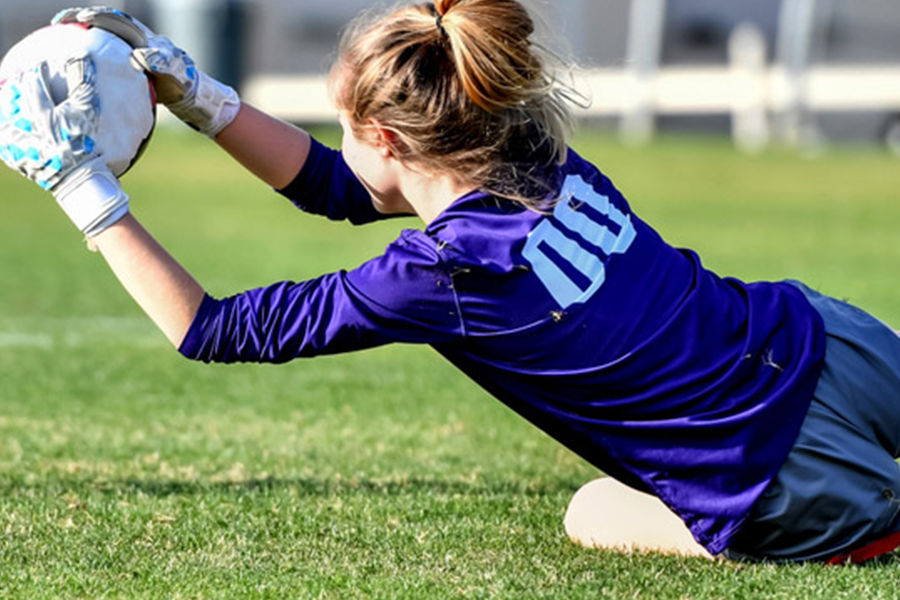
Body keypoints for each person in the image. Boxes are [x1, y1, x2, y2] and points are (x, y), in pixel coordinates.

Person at [2, 1, 899, 565]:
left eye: (346, 126)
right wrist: (197, 94)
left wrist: (84, 188)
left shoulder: (442, 273)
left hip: (771, 477)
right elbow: (336, 187)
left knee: (591, 512)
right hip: (822, 340)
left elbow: (210, 329)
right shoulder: (533, 149)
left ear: (389, 142)